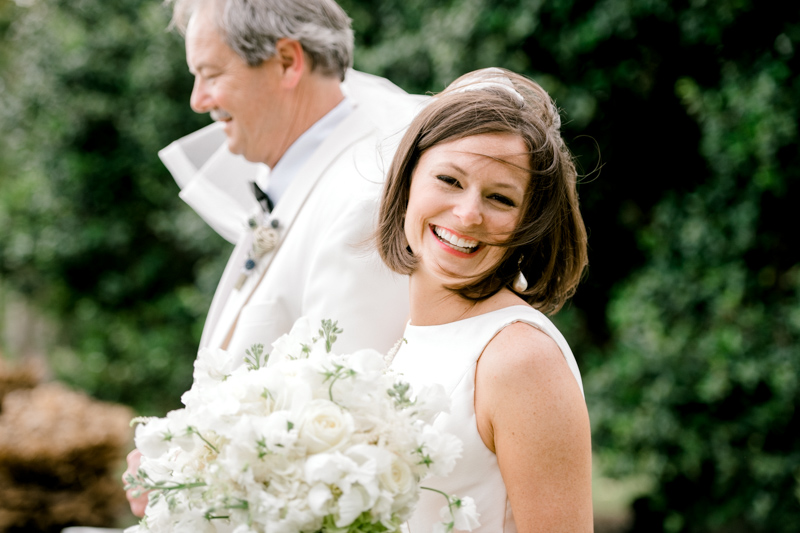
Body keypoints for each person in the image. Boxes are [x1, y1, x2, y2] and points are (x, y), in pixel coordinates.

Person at [124, 0, 425, 517]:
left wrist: (191, 488)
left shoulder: (364, 202)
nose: (198, 100)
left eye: (211, 74)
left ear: (287, 62)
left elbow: (345, 433)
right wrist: (177, 461)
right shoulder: (295, 178)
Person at [377, 67, 593, 532]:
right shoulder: (413, 335)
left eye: (500, 198)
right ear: (408, 177)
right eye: (450, 181)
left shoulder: (520, 358)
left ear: (527, 222)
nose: (468, 213)